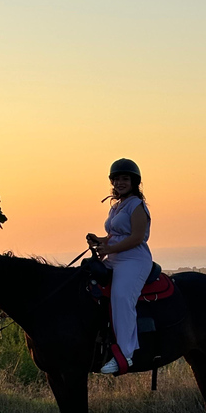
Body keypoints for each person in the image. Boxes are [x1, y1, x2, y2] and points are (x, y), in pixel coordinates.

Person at [87, 158, 152, 374]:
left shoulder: (136, 205)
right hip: (115, 257)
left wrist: (109, 248)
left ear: (134, 182)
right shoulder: (116, 207)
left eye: (125, 179)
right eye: (116, 179)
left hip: (133, 259)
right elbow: (114, 236)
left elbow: (137, 237)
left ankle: (125, 355)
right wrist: (100, 241)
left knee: (121, 296)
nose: (120, 183)